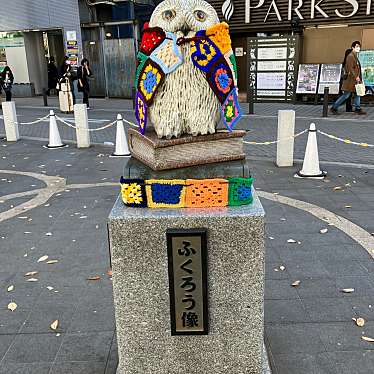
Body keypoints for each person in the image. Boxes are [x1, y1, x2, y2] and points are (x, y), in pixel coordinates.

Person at [330, 41, 366, 115]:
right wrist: (356, 77)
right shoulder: (350, 56)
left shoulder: (354, 56)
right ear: (352, 47)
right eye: (356, 46)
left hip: (354, 80)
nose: (358, 48)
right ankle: (334, 107)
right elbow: (350, 68)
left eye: (359, 46)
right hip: (351, 80)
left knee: (357, 93)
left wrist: (358, 78)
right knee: (346, 95)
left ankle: (357, 108)